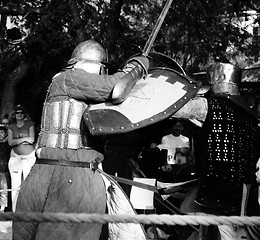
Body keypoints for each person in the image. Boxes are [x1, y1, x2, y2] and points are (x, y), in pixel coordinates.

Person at [12, 39, 149, 240]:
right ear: (96, 65)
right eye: (103, 69)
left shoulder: (65, 84)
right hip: (71, 177)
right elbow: (117, 88)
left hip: (45, 169)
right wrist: (137, 66)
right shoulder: (71, 79)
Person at [180, 62, 260, 240]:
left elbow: (172, 110)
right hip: (246, 193)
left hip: (217, 190)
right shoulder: (252, 117)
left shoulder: (207, 105)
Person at [7, 104, 36, 212]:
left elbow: (32, 139)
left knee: (28, 184)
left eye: (21, 112)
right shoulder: (11, 127)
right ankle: (15, 211)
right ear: (14, 115)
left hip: (29, 157)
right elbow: (10, 142)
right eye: (17, 113)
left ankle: (28, 210)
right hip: (16, 158)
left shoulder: (30, 124)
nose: (19, 114)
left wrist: (18, 141)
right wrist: (24, 139)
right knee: (15, 185)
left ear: (24, 114)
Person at [0, 124, 11, 212]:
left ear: (5, 133)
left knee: (4, 189)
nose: (0, 134)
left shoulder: (8, 145)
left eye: (2, 132)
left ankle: (3, 207)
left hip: (5, 169)